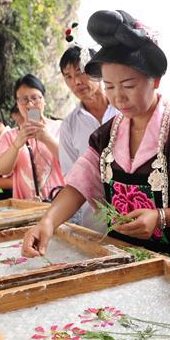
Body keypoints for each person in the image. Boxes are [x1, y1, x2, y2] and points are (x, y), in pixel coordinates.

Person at [22, 9, 170, 257]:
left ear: (154, 80)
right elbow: (79, 185)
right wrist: (47, 222)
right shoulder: (106, 136)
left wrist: (160, 217)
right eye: (110, 86)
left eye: (129, 85)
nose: (118, 97)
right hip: (120, 256)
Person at [58, 44, 119, 230]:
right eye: (68, 76)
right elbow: (72, 177)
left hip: (139, 215)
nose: (76, 81)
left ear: (98, 69)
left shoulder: (124, 109)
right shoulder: (69, 125)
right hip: (96, 223)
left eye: (81, 72)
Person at [0, 75, 63, 201]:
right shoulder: (10, 136)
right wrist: (17, 144)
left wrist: (47, 138)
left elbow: (72, 162)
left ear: (44, 100)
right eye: (23, 100)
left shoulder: (61, 128)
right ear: (17, 103)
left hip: (61, 204)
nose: (30, 104)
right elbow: (2, 170)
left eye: (35, 98)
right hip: (26, 207)